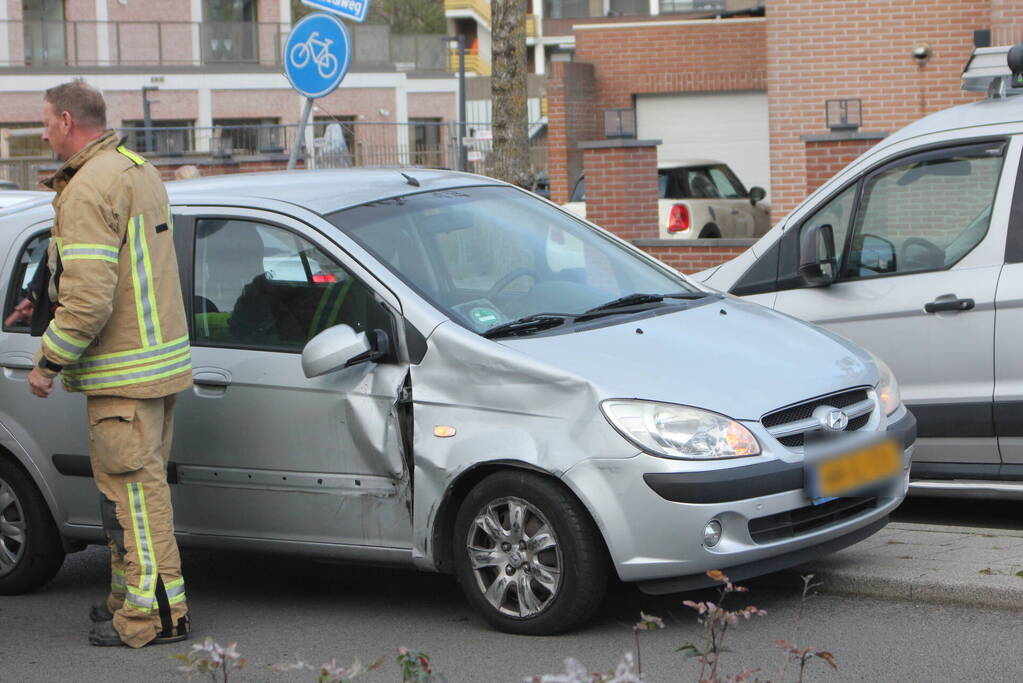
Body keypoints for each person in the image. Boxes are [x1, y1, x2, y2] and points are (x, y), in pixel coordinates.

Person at [18, 80, 193, 648]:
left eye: (46, 121)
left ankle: (155, 618)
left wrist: (47, 361)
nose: (43, 132)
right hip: (153, 367)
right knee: (128, 495)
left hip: (124, 374)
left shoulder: (89, 186)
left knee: (136, 501)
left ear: (67, 121)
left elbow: (90, 299)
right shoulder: (136, 169)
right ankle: (126, 600)